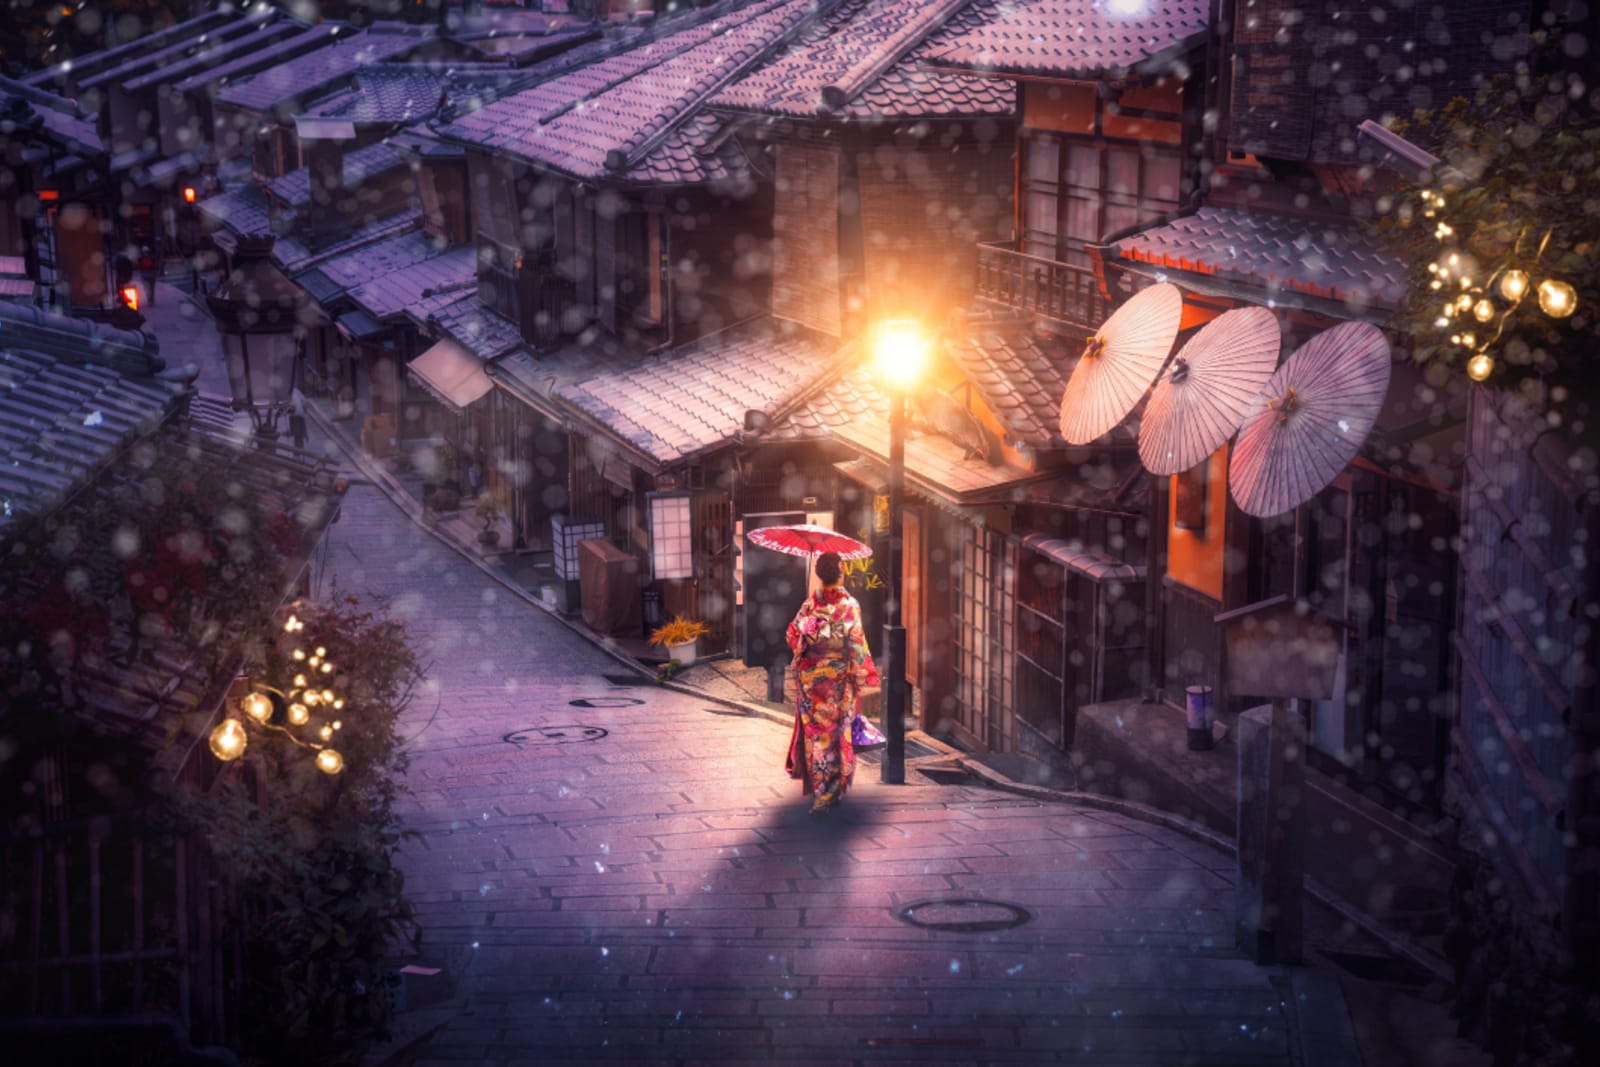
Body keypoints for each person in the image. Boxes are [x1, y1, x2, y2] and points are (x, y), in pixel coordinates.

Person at [784, 552, 879, 818]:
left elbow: (792, 635)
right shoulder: (850, 606)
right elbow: (857, 644)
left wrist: (812, 638)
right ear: (841, 572)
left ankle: (822, 793)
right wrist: (863, 672)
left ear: (819, 575)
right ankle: (832, 790)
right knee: (839, 733)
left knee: (817, 736)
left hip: (812, 683)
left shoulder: (809, 605)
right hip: (838, 684)